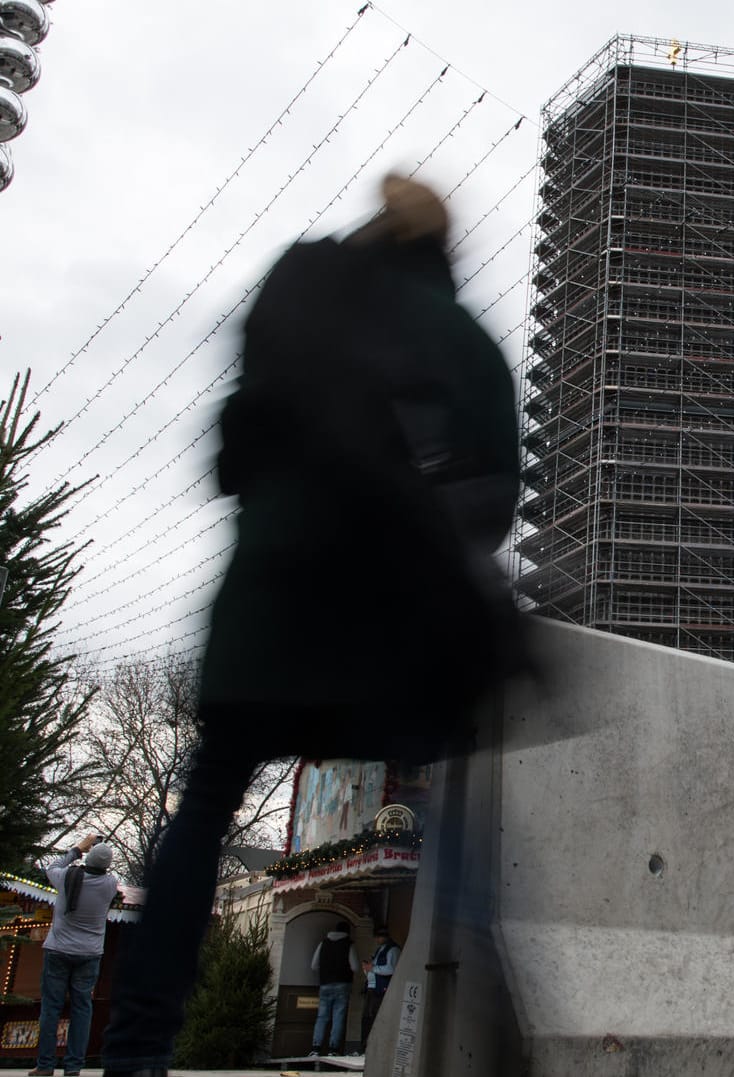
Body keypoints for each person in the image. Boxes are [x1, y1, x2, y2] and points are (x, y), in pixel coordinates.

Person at [98, 175, 527, 1077]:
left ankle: (137, 1051)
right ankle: (500, 1039)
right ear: (443, 250)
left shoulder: (298, 287)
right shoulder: (465, 342)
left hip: (274, 591)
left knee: (207, 801)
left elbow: (231, 438)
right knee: (452, 815)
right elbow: (491, 499)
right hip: (397, 613)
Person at [29, 836, 119, 1077]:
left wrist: (79, 848)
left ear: (88, 858)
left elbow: (53, 867)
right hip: (89, 954)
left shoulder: (66, 879)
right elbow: (103, 873)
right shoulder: (110, 884)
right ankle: (73, 1066)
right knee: (82, 1008)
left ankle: (46, 1065)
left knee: (51, 1008)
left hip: (58, 950)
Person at [310, 924, 358, 1056]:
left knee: (322, 1017)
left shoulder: (323, 943)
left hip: (325, 984)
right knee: (338, 1016)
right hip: (343, 984)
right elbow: (354, 966)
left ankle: (316, 1048)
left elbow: (314, 965)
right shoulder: (349, 944)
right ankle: (333, 1049)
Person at [360, 925, 400, 1049]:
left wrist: (372, 968)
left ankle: (371, 1046)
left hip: (381, 989)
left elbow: (391, 969)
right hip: (372, 987)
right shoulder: (380, 950)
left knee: (375, 1017)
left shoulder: (393, 950)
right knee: (367, 1017)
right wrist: (368, 969)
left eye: (379, 937)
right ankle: (364, 1046)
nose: (376, 939)